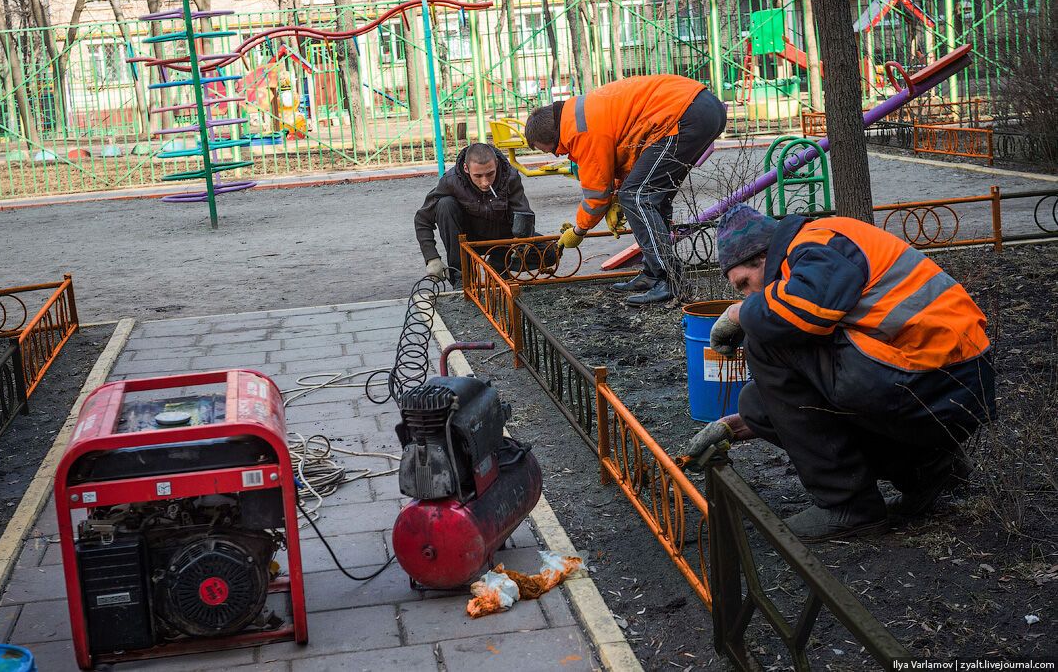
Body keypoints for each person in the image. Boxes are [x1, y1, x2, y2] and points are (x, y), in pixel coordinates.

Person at [698, 204, 995, 542]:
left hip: (936, 375)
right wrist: (745, 423)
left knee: (766, 340)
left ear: (762, 257)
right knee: (757, 404)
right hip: (934, 380)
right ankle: (928, 467)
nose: (749, 293)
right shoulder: (811, 249)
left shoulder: (814, 245)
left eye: (745, 283)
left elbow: (804, 314)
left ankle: (849, 506)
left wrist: (741, 313)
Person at [523, 75, 726, 305]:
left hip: (683, 114)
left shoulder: (578, 130)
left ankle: (668, 279)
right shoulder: (577, 114)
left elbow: (597, 193)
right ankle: (652, 274)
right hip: (699, 108)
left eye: (549, 150)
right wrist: (618, 197)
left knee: (637, 196)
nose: (555, 155)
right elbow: (623, 159)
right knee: (652, 197)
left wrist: (578, 231)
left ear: (551, 136)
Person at [415, 143, 536, 286]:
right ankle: (462, 278)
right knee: (445, 204)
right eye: (478, 176)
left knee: (550, 252)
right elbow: (422, 219)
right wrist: (431, 258)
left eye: (490, 174)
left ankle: (499, 266)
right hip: (467, 242)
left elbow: (524, 213)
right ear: (466, 169)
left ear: (496, 164)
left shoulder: (510, 177)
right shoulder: (451, 181)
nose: (485, 182)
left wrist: (523, 241)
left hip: (502, 241)